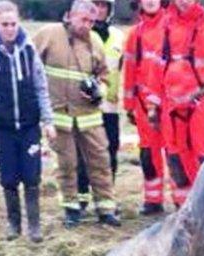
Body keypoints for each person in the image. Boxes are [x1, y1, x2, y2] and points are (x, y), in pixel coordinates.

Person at [0, 1, 55, 243]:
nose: (10, 29)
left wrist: (48, 121)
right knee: (8, 176)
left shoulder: (29, 49)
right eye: (4, 24)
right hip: (2, 127)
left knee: (31, 176)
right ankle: (13, 223)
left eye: (13, 24)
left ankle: (34, 225)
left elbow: (41, 86)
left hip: (29, 126)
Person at [34, 0, 120, 228]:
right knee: (66, 163)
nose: (88, 25)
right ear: (70, 15)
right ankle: (71, 209)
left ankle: (106, 208)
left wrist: (97, 91)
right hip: (59, 115)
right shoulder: (48, 35)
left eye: (92, 21)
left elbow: (104, 76)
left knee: (101, 161)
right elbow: (31, 67)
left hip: (89, 115)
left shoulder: (95, 42)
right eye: (83, 20)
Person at [152, 0, 204, 207]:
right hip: (172, 108)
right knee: (176, 161)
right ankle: (185, 213)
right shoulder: (166, 26)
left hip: (202, 105)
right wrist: (154, 104)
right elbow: (156, 70)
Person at [76, 0, 125, 212]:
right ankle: (81, 199)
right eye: (95, 4)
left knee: (110, 151)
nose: (99, 10)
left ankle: (106, 199)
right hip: (84, 106)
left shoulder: (119, 37)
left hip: (110, 107)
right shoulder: (78, 35)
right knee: (82, 153)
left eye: (103, 5)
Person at [123, 0, 170, 215]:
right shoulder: (135, 34)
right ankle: (153, 200)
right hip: (143, 105)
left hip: (171, 103)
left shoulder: (173, 27)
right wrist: (129, 104)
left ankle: (183, 199)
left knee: (176, 153)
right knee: (149, 154)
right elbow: (130, 70)